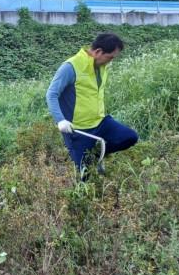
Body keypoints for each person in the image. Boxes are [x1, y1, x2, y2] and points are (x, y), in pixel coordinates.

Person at [46, 33, 138, 180]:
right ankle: (86, 161)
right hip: (78, 130)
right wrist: (60, 120)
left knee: (130, 137)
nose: (111, 61)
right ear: (98, 52)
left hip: (100, 122)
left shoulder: (100, 66)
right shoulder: (70, 67)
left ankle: (95, 154)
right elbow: (51, 94)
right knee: (84, 177)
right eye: (110, 57)